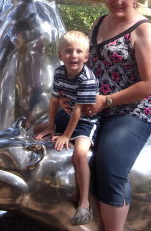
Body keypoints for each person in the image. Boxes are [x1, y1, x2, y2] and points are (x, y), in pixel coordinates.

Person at [69, 0, 151, 231]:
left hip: (131, 111)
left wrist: (107, 101)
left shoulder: (144, 32)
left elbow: (150, 84)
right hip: (95, 106)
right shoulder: (99, 22)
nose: (118, 1)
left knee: (109, 166)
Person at [35, 30, 99, 226]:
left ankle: (84, 203)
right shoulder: (59, 72)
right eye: (68, 51)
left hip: (85, 121)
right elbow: (54, 101)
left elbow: (79, 111)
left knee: (79, 154)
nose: (74, 55)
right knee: (35, 128)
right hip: (66, 114)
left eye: (79, 51)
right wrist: (51, 127)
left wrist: (65, 135)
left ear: (86, 57)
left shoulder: (86, 78)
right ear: (60, 55)